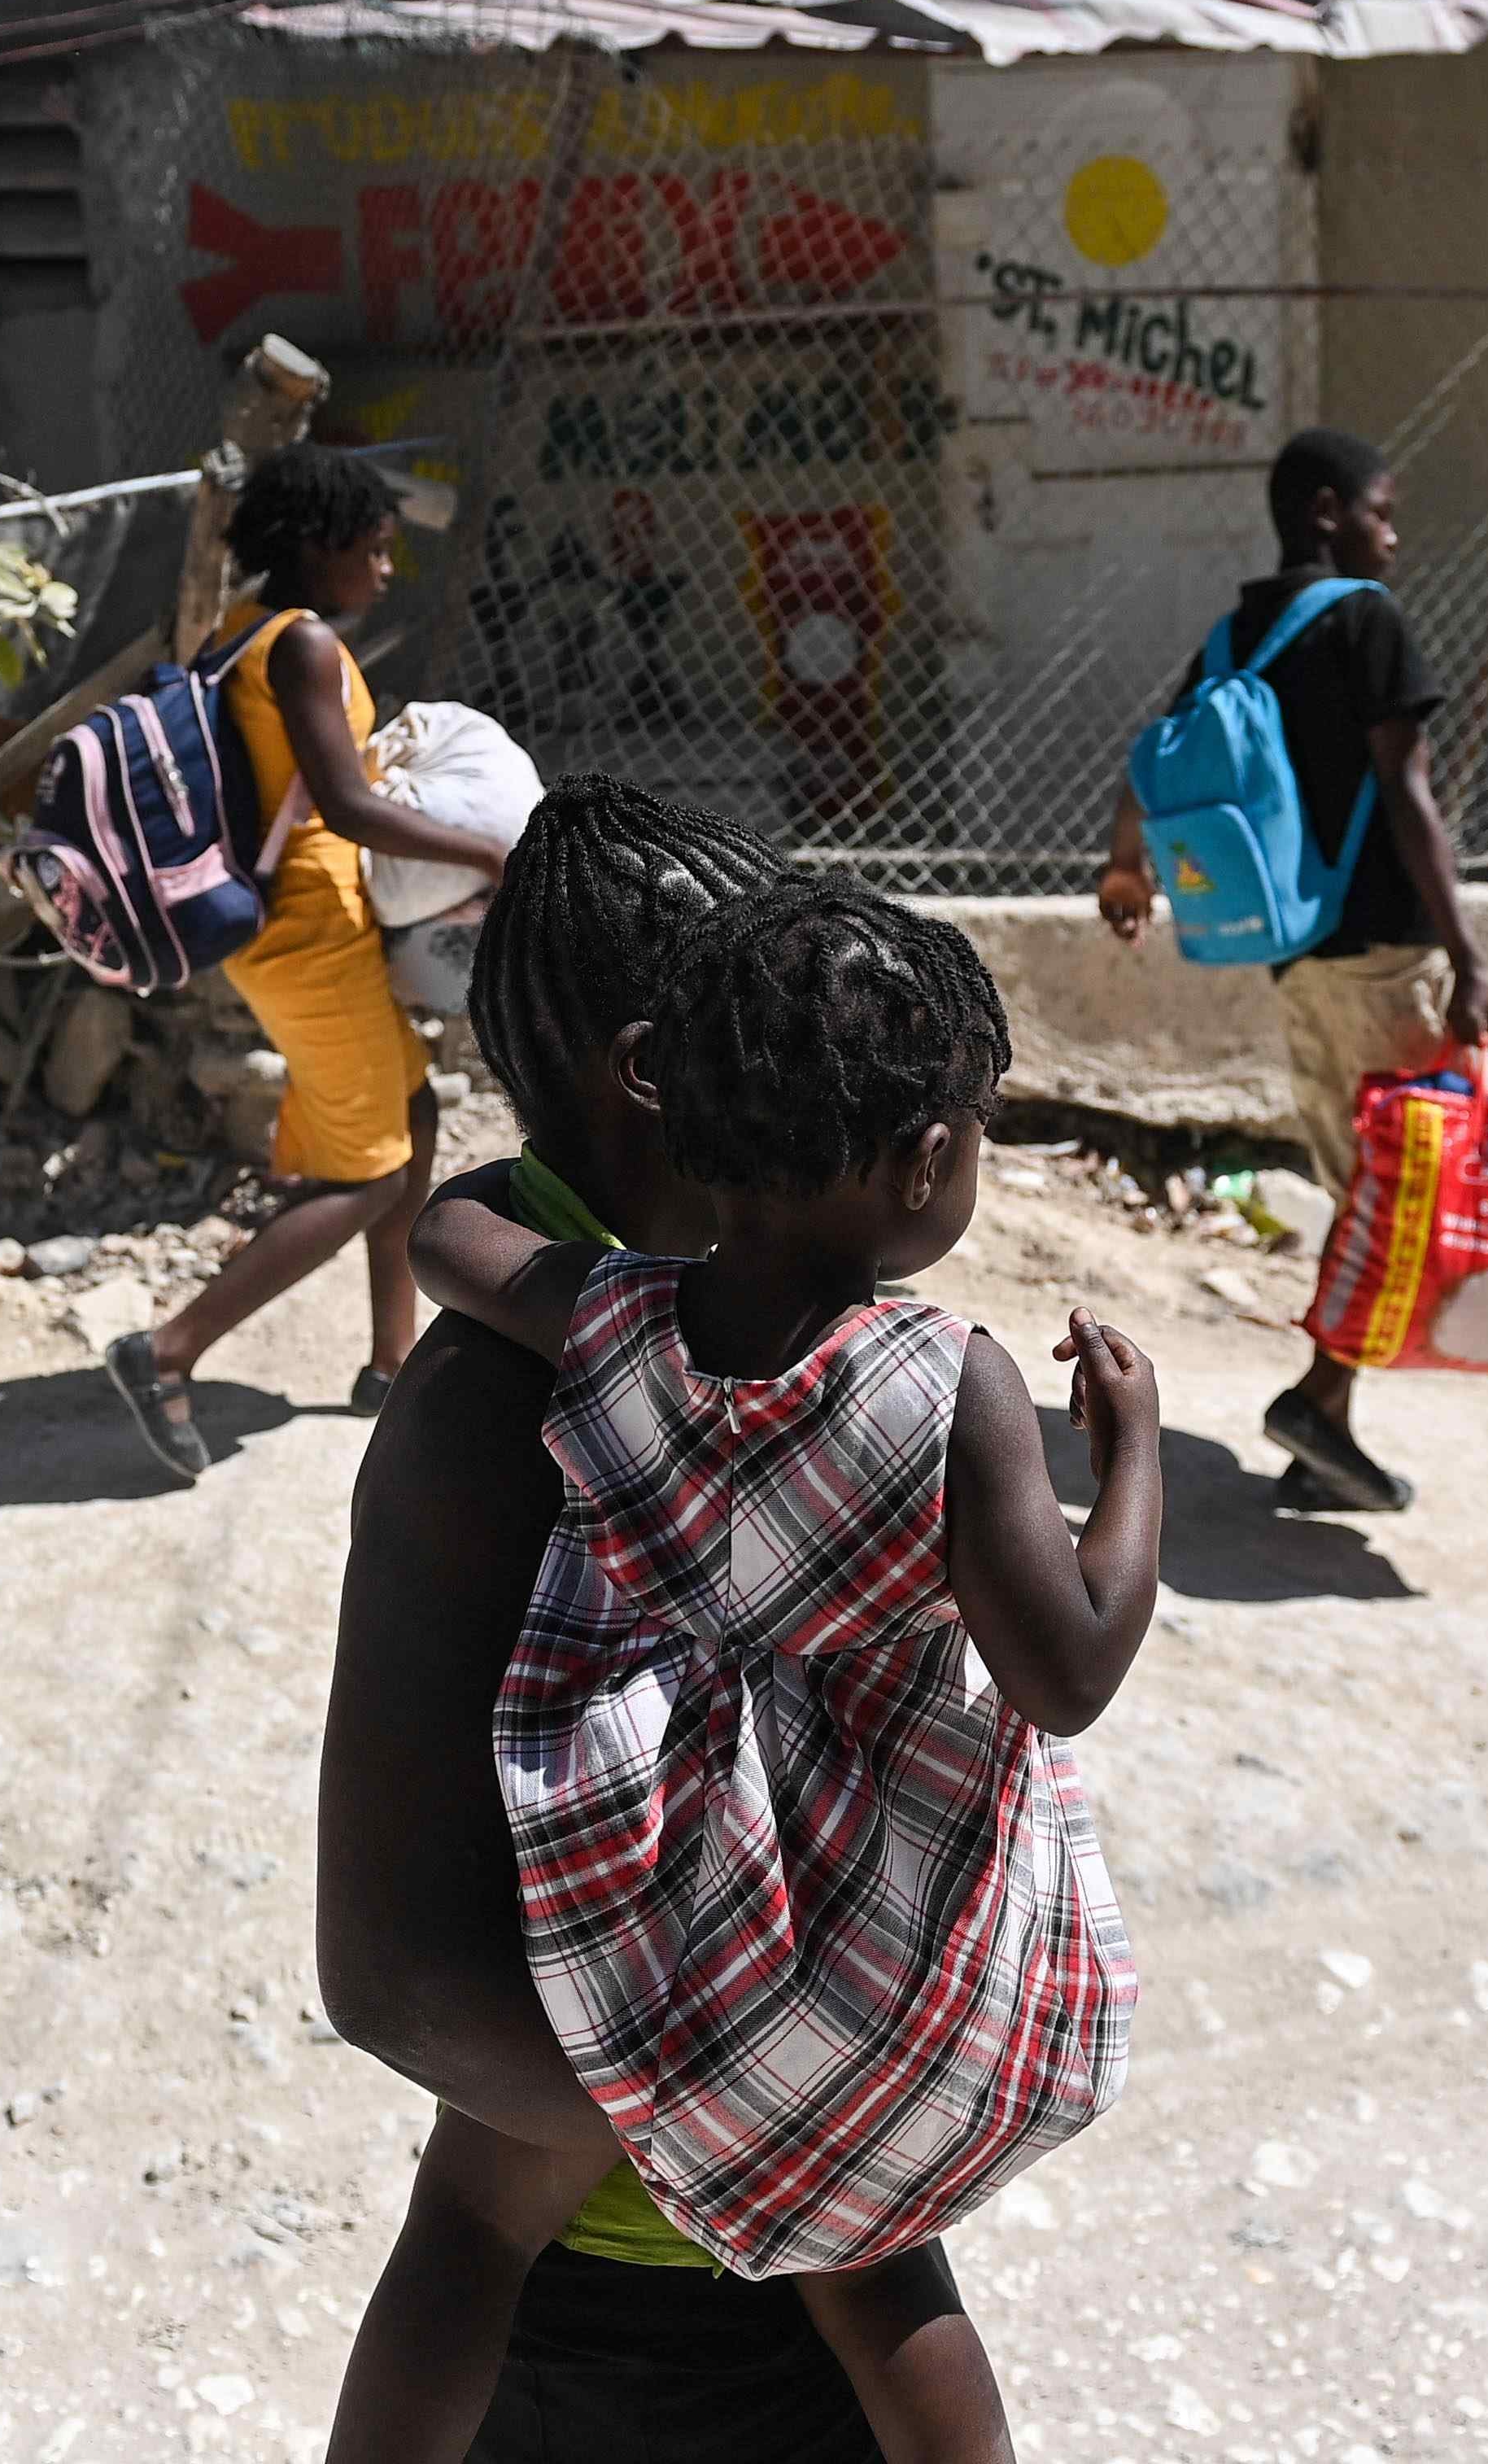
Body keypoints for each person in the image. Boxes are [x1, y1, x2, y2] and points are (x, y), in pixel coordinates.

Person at [325, 876, 1157, 2462]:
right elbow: (1070, 1666)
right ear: (930, 1159)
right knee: (876, 2260)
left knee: (471, 2215)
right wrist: (1131, 1459)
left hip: (624, 1880)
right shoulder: (946, 1378)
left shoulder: (609, 1317)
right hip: (841, 1919)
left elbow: (449, 1231)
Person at [318, 780, 907, 2458]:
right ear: (656, 1067)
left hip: (801, 2245)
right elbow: (391, 1975)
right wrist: (734, 2111)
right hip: (610, 2313)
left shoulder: (766, 1326)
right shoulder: (487, 1414)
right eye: (781, 1016)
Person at [1094, 426, 1488, 1514]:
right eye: (1382, 509)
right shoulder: (1368, 621)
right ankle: (1320, 1402)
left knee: (1366, 1188)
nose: (1394, 533)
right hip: (1385, 953)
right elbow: (1409, 794)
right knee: (1407, 1189)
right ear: (1326, 510)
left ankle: (1326, 1427)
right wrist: (1468, 953)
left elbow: (1154, 755)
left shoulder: (1240, 634)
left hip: (1298, 960)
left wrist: (1126, 863)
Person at [100, 446, 516, 1483]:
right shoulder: (303, 645)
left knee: (412, 1119)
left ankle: (392, 1360)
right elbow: (345, 803)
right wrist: (493, 857)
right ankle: (165, 1352)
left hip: (311, 923)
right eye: (371, 550)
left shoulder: (248, 637)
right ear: (318, 546)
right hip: (305, 930)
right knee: (368, 1172)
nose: (384, 571)